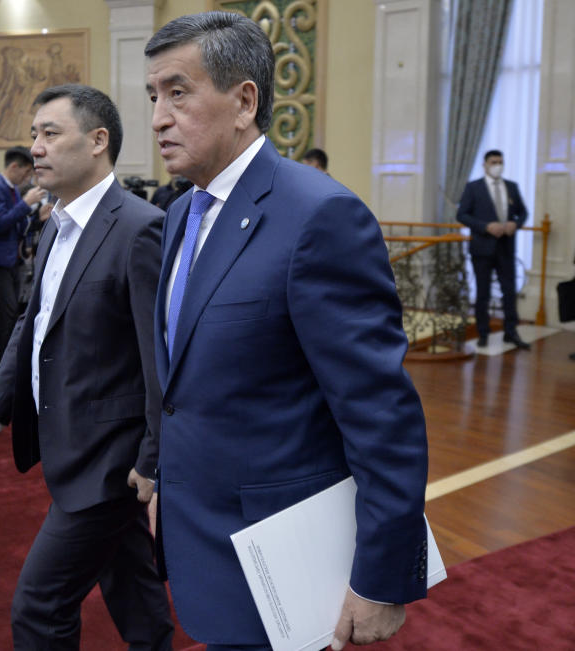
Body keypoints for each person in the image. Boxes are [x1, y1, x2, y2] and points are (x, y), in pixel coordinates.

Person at [144, 13, 429, 650]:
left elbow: (381, 415)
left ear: (244, 101)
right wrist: (169, 480)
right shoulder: (180, 214)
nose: (159, 116)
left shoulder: (319, 216)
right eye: (153, 96)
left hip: (287, 560)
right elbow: (186, 382)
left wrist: (383, 577)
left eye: (178, 92)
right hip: (202, 534)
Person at [0, 84, 173, 650]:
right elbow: (32, 328)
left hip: (109, 462)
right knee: (131, 581)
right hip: (70, 445)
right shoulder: (57, 222)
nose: (35, 147)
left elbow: (160, 364)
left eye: (50, 133)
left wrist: (153, 460)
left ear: (98, 140)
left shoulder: (139, 227)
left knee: (39, 606)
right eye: (34, 134)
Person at [456, 149, 530, 349]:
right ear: (485, 165)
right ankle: (483, 332)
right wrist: (486, 226)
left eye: (500, 162)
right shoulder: (473, 188)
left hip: (506, 248)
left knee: (509, 292)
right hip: (482, 249)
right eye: (494, 162)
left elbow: (523, 213)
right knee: (483, 293)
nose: (498, 165)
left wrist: (516, 224)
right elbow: (462, 215)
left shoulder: (512, 187)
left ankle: (511, 332)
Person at [0, 147, 46, 370]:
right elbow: (0, 223)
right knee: (7, 316)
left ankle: (9, 365)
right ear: (14, 167)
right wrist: (26, 204)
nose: (27, 178)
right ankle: (0, 367)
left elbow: (17, 225)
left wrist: (36, 216)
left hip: (12, 259)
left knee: (14, 314)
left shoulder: (13, 190)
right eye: (27, 172)